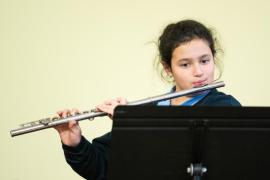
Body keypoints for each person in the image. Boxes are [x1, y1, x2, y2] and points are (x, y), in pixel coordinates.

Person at [54, 19, 241, 180]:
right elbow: (103, 170)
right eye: (185, 64)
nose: (199, 72)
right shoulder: (152, 109)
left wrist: (135, 127)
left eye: (205, 61)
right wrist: (74, 143)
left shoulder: (225, 107)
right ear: (168, 68)